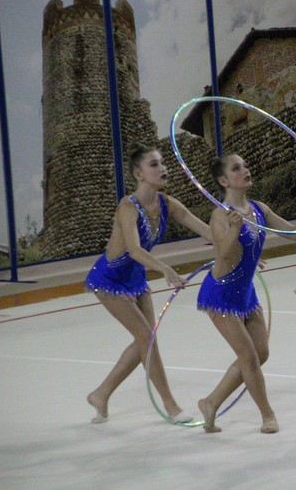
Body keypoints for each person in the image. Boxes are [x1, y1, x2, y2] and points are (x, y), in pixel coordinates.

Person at [85, 143, 212, 424]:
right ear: (138, 174)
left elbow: (206, 230)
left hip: (136, 279)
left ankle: (101, 393)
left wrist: (238, 247)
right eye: (154, 164)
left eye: (162, 163)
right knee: (147, 339)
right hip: (110, 280)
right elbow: (133, 249)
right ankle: (171, 405)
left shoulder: (168, 204)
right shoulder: (127, 207)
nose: (162, 168)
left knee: (146, 341)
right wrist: (165, 269)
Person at [196, 153, 296, 433]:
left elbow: (295, 233)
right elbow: (222, 253)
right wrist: (234, 228)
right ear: (223, 180)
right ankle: (267, 415)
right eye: (236, 168)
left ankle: (211, 402)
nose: (245, 169)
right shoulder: (219, 215)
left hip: (246, 292)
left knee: (261, 352)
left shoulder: (259, 209)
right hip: (220, 295)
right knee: (249, 356)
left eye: (245, 164)